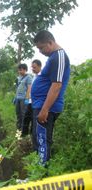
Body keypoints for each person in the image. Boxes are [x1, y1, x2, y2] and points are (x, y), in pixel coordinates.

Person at [31, 30, 70, 163]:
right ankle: (36, 174)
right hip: (41, 104)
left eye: (41, 47)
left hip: (47, 107)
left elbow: (56, 85)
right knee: (39, 139)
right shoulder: (53, 57)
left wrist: (45, 110)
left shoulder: (59, 56)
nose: (40, 51)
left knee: (42, 141)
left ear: (50, 42)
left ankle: (41, 177)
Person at [22, 59, 42, 138]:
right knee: (26, 118)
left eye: (34, 67)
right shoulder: (34, 76)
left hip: (36, 102)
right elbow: (31, 88)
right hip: (31, 101)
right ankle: (24, 135)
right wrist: (27, 98)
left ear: (40, 66)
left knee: (34, 120)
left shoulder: (42, 76)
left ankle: (31, 136)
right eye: (32, 67)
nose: (33, 69)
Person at [15, 64, 32, 131]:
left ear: (25, 70)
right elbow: (17, 88)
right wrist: (15, 97)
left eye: (21, 70)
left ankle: (23, 130)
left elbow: (29, 88)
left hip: (23, 98)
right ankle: (18, 128)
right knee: (18, 113)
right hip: (18, 98)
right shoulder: (18, 77)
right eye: (19, 70)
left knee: (23, 114)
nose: (19, 71)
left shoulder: (28, 77)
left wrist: (27, 98)